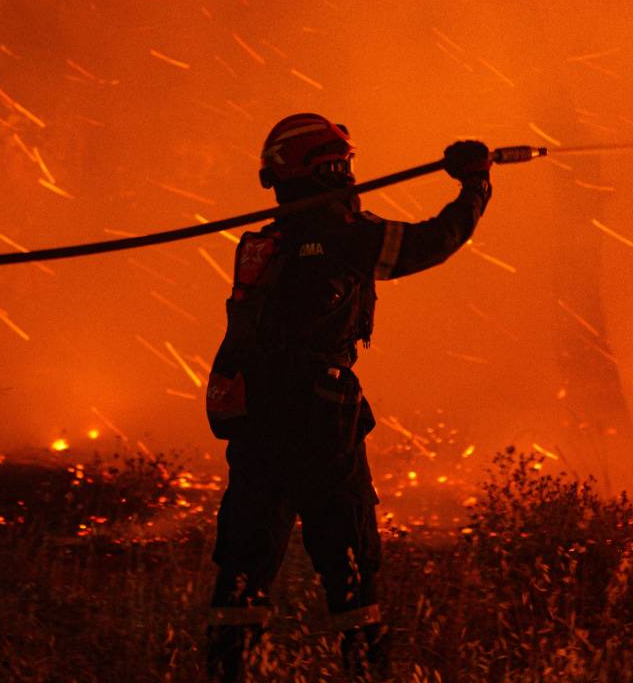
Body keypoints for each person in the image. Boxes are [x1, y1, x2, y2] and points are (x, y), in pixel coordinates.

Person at [204, 113, 492, 681]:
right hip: (319, 419)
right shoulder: (339, 236)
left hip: (258, 420)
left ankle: (228, 670)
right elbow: (430, 243)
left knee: (244, 566)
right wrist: (476, 188)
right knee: (351, 565)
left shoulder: (271, 242)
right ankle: (366, 672)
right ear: (332, 167)